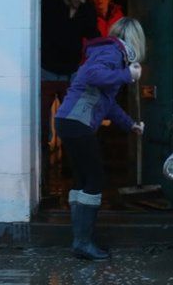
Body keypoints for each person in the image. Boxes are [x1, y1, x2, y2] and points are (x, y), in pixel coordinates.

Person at [54, 17, 146, 260]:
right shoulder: (113, 53)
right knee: (94, 177)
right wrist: (127, 74)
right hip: (76, 122)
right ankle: (83, 243)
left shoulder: (108, 51)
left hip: (69, 121)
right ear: (135, 40)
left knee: (83, 178)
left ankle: (80, 241)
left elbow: (109, 103)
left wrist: (130, 125)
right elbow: (95, 75)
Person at [41, 0, 101, 81]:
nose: (83, 0)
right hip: (45, 69)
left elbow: (94, 37)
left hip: (73, 71)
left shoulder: (87, 9)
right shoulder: (47, 3)